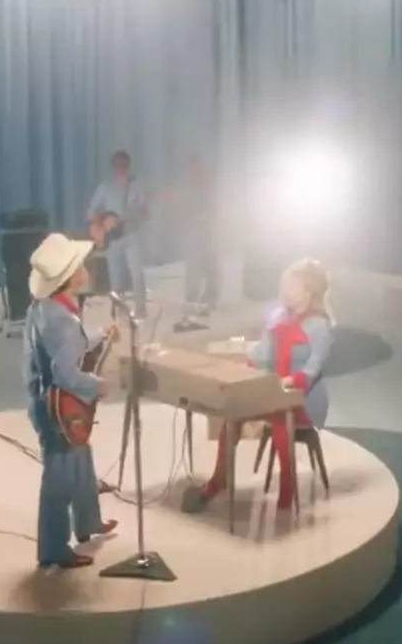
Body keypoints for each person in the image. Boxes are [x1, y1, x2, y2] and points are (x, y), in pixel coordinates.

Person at [182, 258, 334, 513]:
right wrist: (246, 369)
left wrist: (287, 382)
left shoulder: (320, 325)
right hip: (271, 390)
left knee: (280, 416)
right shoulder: (278, 316)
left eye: (292, 285)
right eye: (284, 284)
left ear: (309, 291)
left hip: (304, 397)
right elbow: (261, 355)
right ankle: (219, 480)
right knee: (232, 419)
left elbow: (314, 367)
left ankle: (287, 488)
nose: (285, 290)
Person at [23, 233, 119, 569]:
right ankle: (53, 549)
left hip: (44, 401)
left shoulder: (45, 308)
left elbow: (66, 345)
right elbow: (65, 373)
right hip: (59, 408)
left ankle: (88, 522)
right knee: (60, 477)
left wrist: (98, 336)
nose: (85, 268)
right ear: (68, 277)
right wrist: (98, 385)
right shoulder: (62, 320)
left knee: (81, 460)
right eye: (79, 265)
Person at [87, 150, 148, 319]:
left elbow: (144, 210)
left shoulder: (137, 186)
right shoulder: (105, 187)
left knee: (137, 273)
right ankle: (119, 312)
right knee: (115, 277)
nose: (121, 169)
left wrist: (138, 214)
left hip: (132, 234)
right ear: (113, 167)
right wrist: (103, 222)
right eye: (118, 165)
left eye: (124, 165)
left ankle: (140, 310)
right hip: (113, 239)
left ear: (129, 166)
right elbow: (91, 212)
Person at [174, 155, 218, 332]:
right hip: (193, 231)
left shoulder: (209, 185)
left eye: (197, 167)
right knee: (193, 268)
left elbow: (217, 206)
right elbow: (181, 211)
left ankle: (208, 302)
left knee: (212, 267)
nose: (195, 171)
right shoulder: (186, 189)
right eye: (192, 168)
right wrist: (195, 218)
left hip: (210, 230)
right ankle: (191, 303)